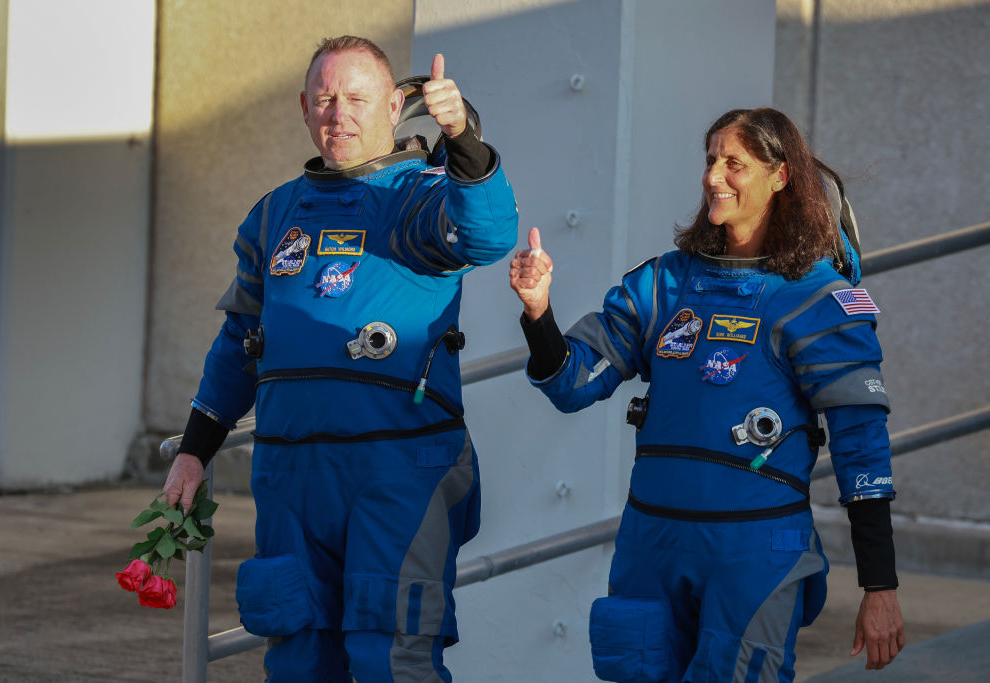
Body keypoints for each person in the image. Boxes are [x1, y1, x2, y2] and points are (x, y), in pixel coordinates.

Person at [162, 35, 518, 682]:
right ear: (304, 107)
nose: (339, 113)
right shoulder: (273, 217)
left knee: (391, 658)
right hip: (290, 474)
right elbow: (241, 340)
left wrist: (462, 135)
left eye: (357, 97)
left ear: (393, 106)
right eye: (325, 97)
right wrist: (194, 447)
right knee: (297, 657)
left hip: (398, 468)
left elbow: (488, 233)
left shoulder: (417, 197)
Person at [509, 107, 904, 682]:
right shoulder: (665, 284)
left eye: (734, 162)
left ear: (780, 176)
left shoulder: (817, 299)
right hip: (653, 544)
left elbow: (862, 451)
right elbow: (573, 383)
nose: (713, 175)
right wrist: (539, 312)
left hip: (755, 552)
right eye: (711, 158)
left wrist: (880, 585)